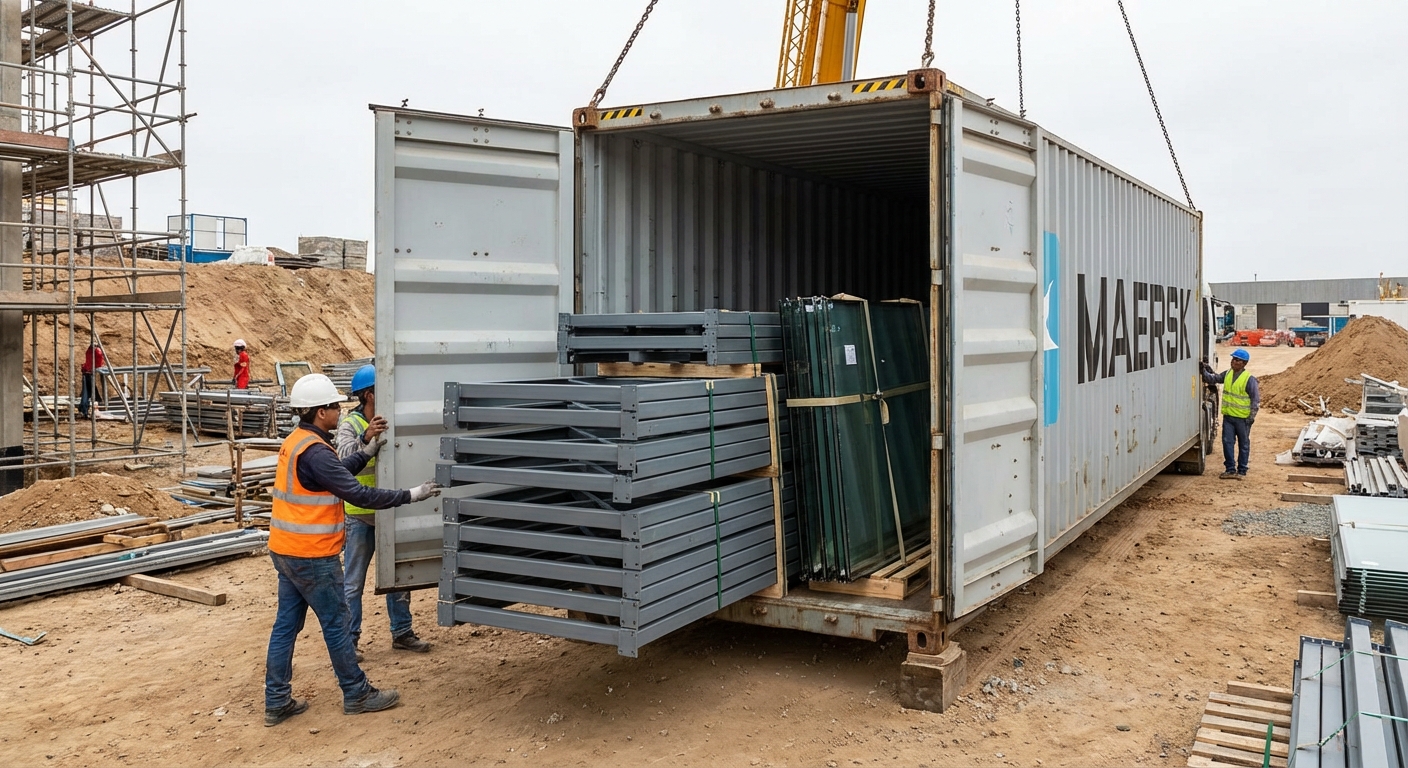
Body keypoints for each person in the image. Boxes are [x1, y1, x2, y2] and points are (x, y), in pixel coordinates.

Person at [263, 373, 441, 727]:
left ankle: (277, 700)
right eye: (334, 407)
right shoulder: (315, 451)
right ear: (319, 412)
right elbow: (358, 494)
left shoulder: (298, 441)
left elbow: (337, 472)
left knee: (285, 626)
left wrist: (368, 452)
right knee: (336, 623)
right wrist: (412, 494)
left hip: (285, 549)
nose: (339, 412)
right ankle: (357, 693)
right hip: (312, 554)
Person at [335, 364, 430, 658]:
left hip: (387, 509)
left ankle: (402, 631)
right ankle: (350, 641)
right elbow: (341, 460)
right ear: (368, 395)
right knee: (353, 582)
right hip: (360, 513)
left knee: (397, 575)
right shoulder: (351, 424)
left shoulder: (393, 419)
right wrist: (366, 438)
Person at [1201, 348, 1259, 480]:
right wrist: (1203, 371)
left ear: (1244, 363)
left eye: (1237, 360)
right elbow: (1213, 379)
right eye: (1233, 359)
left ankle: (1242, 470)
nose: (1233, 362)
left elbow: (1255, 401)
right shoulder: (1227, 374)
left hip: (1243, 419)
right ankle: (1230, 469)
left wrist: (1251, 417)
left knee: (1243, 444)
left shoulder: (1249, 379)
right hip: (1228, 417)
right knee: (1227, 443)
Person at [78, 342, 105, 418]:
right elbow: (99, 359)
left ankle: (83, 409)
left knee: (86, 392)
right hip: (89, 373)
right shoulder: (96, 351)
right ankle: (84, 409)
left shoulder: (89, 351)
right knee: (87, 393)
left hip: (87, 372)